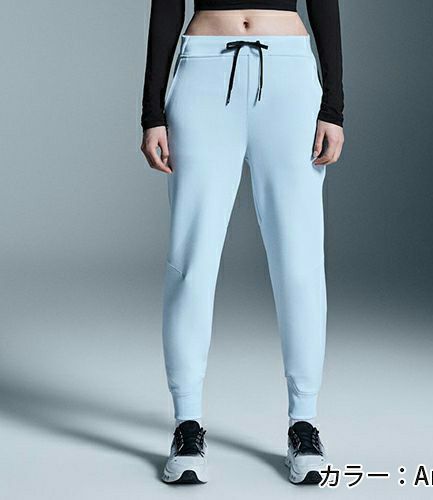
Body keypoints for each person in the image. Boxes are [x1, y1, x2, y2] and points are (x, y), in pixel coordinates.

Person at [139, 0, 345, 485]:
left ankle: (304, 424)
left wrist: (333, 108)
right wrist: (151, 112)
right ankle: (187, 426)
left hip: (289, 76)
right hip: (203, 72)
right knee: (191, 261)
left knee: (299, 262)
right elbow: (166, 7)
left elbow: (324, 4)